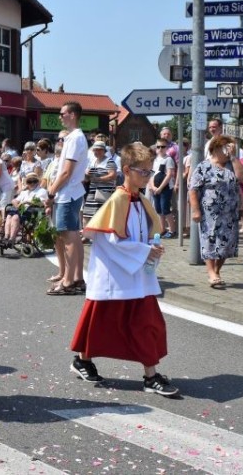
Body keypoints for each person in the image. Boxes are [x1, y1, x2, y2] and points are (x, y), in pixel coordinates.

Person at [68, 143, 177, 396]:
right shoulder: (117, 200)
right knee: (99, 323)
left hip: (137, 276)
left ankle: (151, 376)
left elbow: (148, 234)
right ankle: (83, 360)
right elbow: (107, 239)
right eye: (144, 172)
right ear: (126, 170)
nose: (148, 177)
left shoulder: (141, 201)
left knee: (147, 324)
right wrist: (142, 251)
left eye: (150, 172)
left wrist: (153, 248)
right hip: (114, 276)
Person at [189, 135, 243, 289]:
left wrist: (233, 157)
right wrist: (195, 210)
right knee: (210, 241)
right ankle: (211, 273)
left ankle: (216, 271)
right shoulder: (203, 167)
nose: (227, 152)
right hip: (210, 213)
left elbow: (242, 178)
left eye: (230, 148)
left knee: (226, 244)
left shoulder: (231, 165)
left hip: (230, 212)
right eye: (225, 148)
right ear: (215, 148)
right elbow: (193, 189)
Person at [47, 102, 88, 296]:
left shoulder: (73, 138)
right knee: (73, 236)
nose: (60, 116)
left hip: (67, 192)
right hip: (73, 192)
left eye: (62, 113)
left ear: (72, 114)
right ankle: (77, 277)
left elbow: (66, 172)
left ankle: (69, 280)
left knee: (68, 236)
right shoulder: (77, 137)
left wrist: (51, 192)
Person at [2, 173, 48, 245]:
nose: (32, 183)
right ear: (27, 183)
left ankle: (12, 239)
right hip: (21, 211)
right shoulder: (24, 192)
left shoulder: (42, 191)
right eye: (29, 182)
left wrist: (28, 202)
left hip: (32, 212)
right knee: (9, 216)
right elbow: (14, 200)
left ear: (38, 182)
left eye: (34, 181)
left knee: (15, 217)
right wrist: (17, 205)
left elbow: (41, 203)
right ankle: (6, 237)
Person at [84, 140, 118, 229]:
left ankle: (99, 236)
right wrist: (87, 176)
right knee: (87, 214)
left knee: (101, 216)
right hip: (92, 192)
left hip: (103, 193)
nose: (96, 152)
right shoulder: (92, 161)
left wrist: (98, 179)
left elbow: (113, 176)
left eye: (99, 150)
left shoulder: (109, 161)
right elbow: (88, 178)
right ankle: (87, 234)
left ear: (104, 151)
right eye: (95, 150)